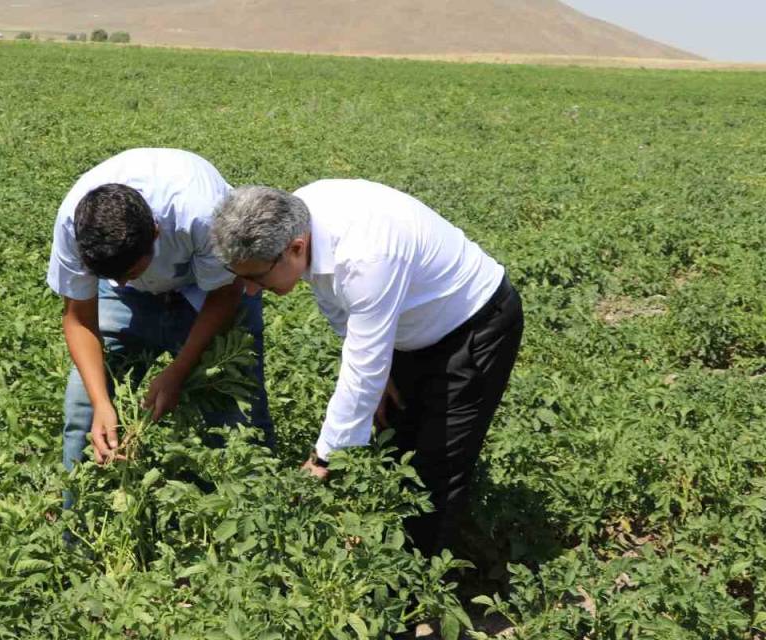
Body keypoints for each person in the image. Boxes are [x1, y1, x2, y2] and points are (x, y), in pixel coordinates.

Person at [210, 180, 523, 555]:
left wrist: (322, 459)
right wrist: (381, 372)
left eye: (255, 278)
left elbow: (362, 365)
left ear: (295, 248)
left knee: (436, 468)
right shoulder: (298, 219)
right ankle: (392, 556)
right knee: (395, 444)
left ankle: (420, 596)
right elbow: (340, 307)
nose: (248, 290)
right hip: (407, 325)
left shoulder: (365, 256)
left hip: (472, 326)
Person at [47, 148, 274, 477]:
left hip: (208, 288)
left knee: (236, 412)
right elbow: (79, 317)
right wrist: (101, 403)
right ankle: (75, 518)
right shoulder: (76, 223)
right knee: (83, 413)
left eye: (131, 271)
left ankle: (256, 506)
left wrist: (179, 371)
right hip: (128, 299)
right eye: (113, 276)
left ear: (156, 232)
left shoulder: (205, 214)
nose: (123, 281)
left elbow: (226, 293)